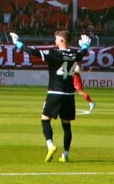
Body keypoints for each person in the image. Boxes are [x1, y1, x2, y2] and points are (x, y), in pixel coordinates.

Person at [11, 29, 92, 162]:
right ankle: (65, 154)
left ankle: (50, 145)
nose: (55, 41)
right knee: (66, 125)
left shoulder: (54, 54)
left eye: (57, 38)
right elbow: (82, 53)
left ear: (62, 40)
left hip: (55, 92)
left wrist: (19, 44)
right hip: (69, 95)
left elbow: (33, 52)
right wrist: (85, 46)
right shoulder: (74, 54)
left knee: (44, 120)